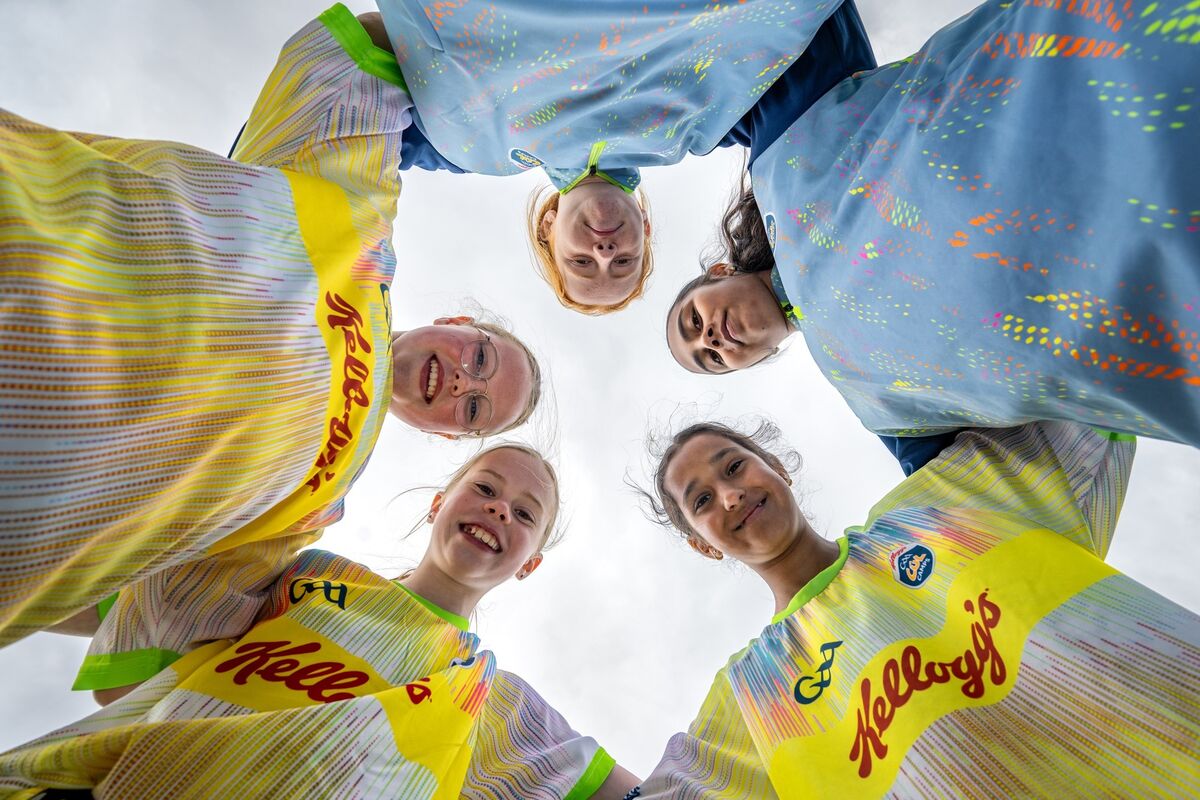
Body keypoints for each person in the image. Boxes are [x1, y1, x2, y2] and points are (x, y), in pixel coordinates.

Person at [0, 6, 542, 647]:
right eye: (479, 358)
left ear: (447, 434)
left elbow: (149, 613)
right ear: (457, 322)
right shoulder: (359, 226)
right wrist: (548, 117)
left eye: (474, 408)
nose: (460, 382)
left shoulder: (315, 504)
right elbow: (368, 53)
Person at [667, 0, 1200, 447]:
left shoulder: (779, 155)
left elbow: (744, 29)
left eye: (694, 321)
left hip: (1091, 95)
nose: (711, 339)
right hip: (1155, 305)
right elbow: (962, 502)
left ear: (718, 273)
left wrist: (627, 161)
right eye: (711, 359)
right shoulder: (878, 405)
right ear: (753, 360)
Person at [0, 444, 640, 799]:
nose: (500, 510)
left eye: (526, 515)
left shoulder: (489, 697)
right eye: (487, 488)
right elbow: (142, 599)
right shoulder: (310, 572)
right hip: (124, 782)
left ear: (529, 565)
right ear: (438, 504)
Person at [632, 417, 1200, 797]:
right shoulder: (754, 698)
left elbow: (1065, 391)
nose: (730, 494)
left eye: (734, 466)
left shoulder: (941, 504)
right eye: (702, 500)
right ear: (704, 545)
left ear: (776, 468)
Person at [376, 0, 876, 313]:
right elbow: (824, 113)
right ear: (646, 228)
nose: (604, 253)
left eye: (580, 261)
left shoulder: (482, 149)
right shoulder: (707, 130)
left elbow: (358, 142)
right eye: (624, 262)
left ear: (548, 226)